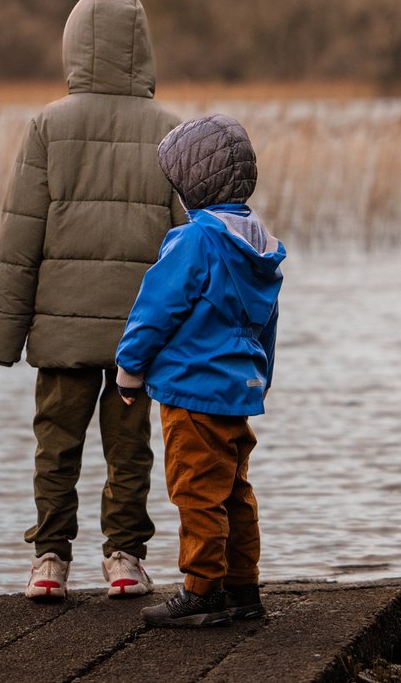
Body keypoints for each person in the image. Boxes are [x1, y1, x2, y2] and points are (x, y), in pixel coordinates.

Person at [0, 0, 184, 601]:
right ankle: (124, 559)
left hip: (60, 327)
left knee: (55, 443)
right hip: (137, 329)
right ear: (141, 51)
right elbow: (186, 242)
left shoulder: (48, 125)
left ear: (74, 48)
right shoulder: (171, 129)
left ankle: (49, 561)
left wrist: (3, 337)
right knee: (130, 449)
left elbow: (21, 237)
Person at [115, 113, 285, 628]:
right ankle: (243, 589)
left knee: (195, 491)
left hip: (192, 393)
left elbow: (155, 309)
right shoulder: (259, 245)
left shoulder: (194, 241)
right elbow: (267, 327)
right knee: (235, 492)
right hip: (238, 391)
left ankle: (202, 591)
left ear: (192, 188)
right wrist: (261, 379)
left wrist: (129, 369)